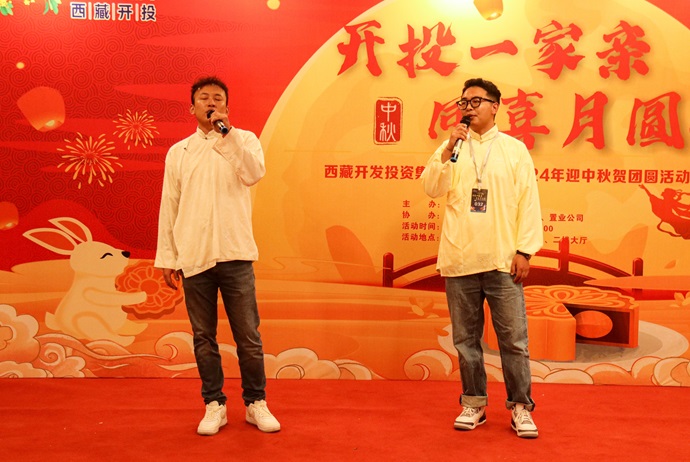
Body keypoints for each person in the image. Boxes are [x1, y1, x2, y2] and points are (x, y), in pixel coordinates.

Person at [155, 75, 280, 436]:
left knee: (249, 337)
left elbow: (253, 174)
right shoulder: (179, 152)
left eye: (218, 98)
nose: (211, 103)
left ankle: (256, 403)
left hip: (235, 252)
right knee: (203, 337)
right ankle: (214, 405)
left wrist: (227, 135)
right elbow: (170, 205)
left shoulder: (244, 140)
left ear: (226, 106)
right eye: (204, 98)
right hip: (194, 255)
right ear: (191, 107)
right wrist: (168, 257)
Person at [421, 78, 543, 438]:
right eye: (464, 102)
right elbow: (431, 187)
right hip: (460, 260)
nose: (469, 107)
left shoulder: (514, 150)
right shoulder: (452, 148)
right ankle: (473, 403)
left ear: (495, 106)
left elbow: (529, 201)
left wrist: (524, 250)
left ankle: (521, 407)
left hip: (502, 261)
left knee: (514, 341)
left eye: (476, 101)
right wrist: (448, 148)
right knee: (466, 341)